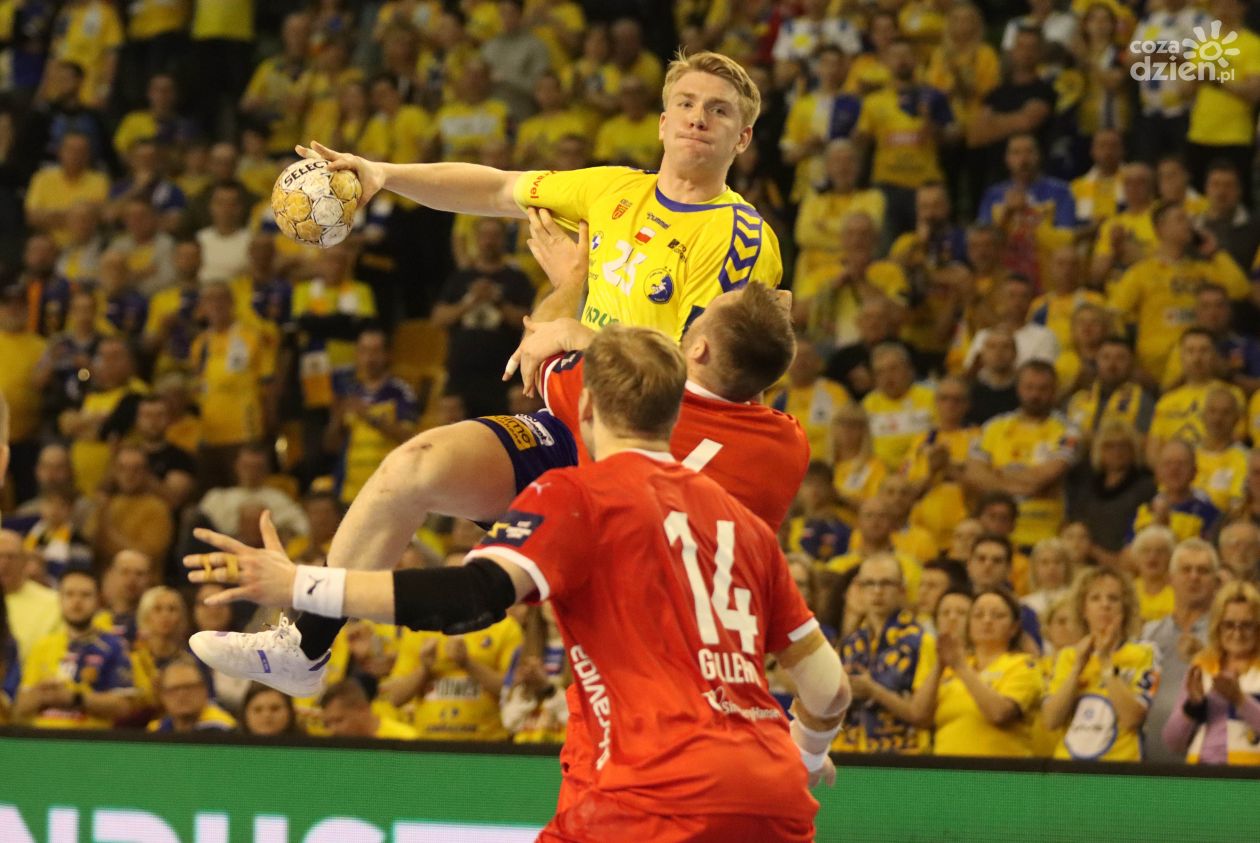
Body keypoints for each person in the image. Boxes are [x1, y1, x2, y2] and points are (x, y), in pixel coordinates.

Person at [189, 325, 847, 839]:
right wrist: (808, 752)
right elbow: (829, 688)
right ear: (676, 413)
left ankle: (306, 644)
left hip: (650, 792)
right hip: (772, 790)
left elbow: (470, 599)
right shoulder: (742, 525)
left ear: (583, 407)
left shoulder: (579, 493)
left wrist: (301, 585)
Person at [302, 50, 783, 342]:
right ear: (663, 123)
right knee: (420, 465)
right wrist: (383, 173)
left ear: (743, 139)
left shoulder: (741, 237)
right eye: (686, 103)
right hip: (580, 406)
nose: (697, 118)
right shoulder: (612, 187)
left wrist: (576, 327)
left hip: (653, 441)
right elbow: (495, 187)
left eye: (719, 111)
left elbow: (694, 379)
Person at [1042, 567, 1160, 761]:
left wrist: (1105, 661)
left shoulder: (1145, 653)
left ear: (1125, 608)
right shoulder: (1068, 656)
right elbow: (1051, 720)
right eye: (1095, 598)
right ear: (1083, 609)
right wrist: (1077, 669)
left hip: (1120, 768)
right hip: (1069, 767)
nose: (1105, 605)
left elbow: (1132, 718)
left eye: (1113, 599)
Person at [966, 361, 1080, 550]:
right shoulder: (993, 426)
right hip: (994, 532)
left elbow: (1041, 479)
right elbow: (974, 475)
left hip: (1045, 534)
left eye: (1043, 389)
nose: (1035, 395)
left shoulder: (1068, 431)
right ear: (1018, 388)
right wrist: (1026, 484)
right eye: (1029, 387)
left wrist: (997, 475)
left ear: (1054, 391)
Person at [13, 570, 135, 729]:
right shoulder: (42, 646)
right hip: (43, 738)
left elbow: (124, 707)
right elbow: (19, 709)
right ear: (59, 600)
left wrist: (75, 699)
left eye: (85, 595)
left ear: (99, 601)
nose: (77, 601)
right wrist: (42, 693)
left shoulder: (114, 646)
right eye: (69, 594)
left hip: (89, 739)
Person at [930, 587, 1044, 757]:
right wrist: (940, 664)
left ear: (1014, 628)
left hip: (997, 768)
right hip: (944, 766)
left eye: (998, 615)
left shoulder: (1024, 664)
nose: (987, 620)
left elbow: (999, 714)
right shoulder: (953, 665)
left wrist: (961, 667)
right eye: (978, 615)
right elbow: (918, 716)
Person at [841, 553, 936, 754]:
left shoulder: (921, 641)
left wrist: (874, 691)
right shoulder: (851, 643)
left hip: (902, 753)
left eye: (886, 583)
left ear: (902, 590)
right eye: (869, 584)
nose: (877, 591)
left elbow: (924, 715)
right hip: (851, 751)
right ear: (860, 590)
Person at [1162, 581, 1260, 765]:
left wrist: (1240, 700)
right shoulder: (1202, 666)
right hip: (1202, 772)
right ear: (1217, 626)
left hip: (1250, 776)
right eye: (1229, 625)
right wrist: (1193, 706)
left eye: (1246, 625)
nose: (1237, 633)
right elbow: (1172, 743)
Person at [1142, 538, 1219, 764]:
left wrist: (1205, 656)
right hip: (1151, 759)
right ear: (1170, 578)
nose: (1194, 577)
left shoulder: (1225, 635)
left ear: (1216, 581)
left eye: (1203, 571)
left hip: (1206, 761)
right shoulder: (1149, 633)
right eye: (1186, 570)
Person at [1066, 420, 1155, 563]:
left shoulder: (1146, 487)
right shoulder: (1085, 483)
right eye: (1109, 446)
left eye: (1123, 446)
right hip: (1084, 560)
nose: (1117, 452)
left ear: (1134, 449)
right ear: (1099, 450)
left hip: (1126, 562)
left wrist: (1097, 553)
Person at [1130, 440, 1221, 543]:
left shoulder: (1210, 513)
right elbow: (1129, 549)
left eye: (1181, 464)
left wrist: (1163, 526)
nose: (1174, 469)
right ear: (1157, 472)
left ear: (1194, 472)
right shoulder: (1142, 510)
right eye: (1167, 464)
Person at [1, 529, 60, 665]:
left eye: (11, 556)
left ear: (25, 561)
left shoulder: (54, 602)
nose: (4, 563)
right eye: (0, 556)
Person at [146, 656, 236, 733]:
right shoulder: (156, 730)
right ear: (163, 695)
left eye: (189, 687)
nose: (182, 694)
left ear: (204, 690)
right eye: (174, 689)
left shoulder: (224, 729)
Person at [320, 678, 417, 740]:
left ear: (362, 710)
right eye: (327, 724)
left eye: (338, 720)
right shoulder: (334, 750)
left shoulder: (404, 739)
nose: (333, 730)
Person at [1131, 526, 1177, 622]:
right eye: (1146, 551)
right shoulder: (1129, 590)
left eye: (1160, 551)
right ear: (1136, 557)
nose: (1152, 556)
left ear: (1170, 557)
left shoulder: (1178, 592)